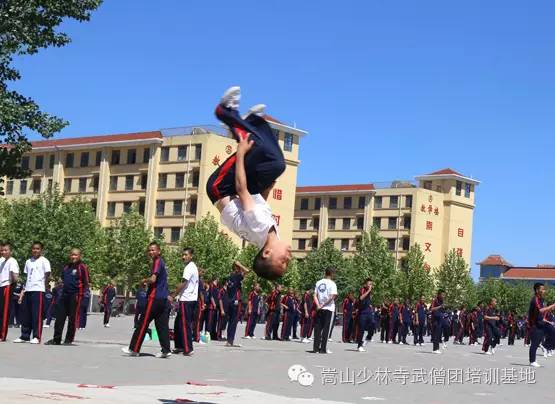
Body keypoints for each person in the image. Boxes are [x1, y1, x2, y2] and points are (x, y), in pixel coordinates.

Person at [207, 87, 292, 280]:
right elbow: (257, 200)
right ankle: (254, 119)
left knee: (254, 146)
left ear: (267, 253)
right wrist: (268, 188)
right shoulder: (267, 232)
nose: (289, 258)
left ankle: (226, 112)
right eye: (288, 262)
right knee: (277, 165)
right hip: (235, 191)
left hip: (221, 188)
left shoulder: (260, 226)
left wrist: (241, 153)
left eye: (283, 261)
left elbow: (242, 189)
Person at [122, 242, 171, 358]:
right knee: (162, 325)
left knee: (142, 323)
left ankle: (134, 349)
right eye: (149, 250)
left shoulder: (157, 261)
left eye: (153, 250)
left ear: (159, 251)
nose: (151, 252)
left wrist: (144, 281)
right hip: (163, 299)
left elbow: (153, 279)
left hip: (154, 298)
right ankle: (166, 350)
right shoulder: (162, 263)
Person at [45, 249, 89, 346]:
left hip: (76, 296)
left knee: (72, 318)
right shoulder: (66, 267)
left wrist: (83, 297)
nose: (74, 257)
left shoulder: (82, 267)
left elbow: (86, 283)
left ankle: (68, 340)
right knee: (59, 317)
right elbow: (62, 279)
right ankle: (56, 339)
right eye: (72, 255)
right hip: (64, 295)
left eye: (76, 255)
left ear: (79, 256)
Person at [14, 241, 51, 344]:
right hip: (28, 290)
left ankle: (36, 336)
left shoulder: (44, 261)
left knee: (36, 314)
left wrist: (44, 286)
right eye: (34, 248)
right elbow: (27, 276)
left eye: (38, 248)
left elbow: (47, 275)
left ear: (41, 250)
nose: (35, 250)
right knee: (26, 314)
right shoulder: (28, 261)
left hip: (38, 290)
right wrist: (23, 291)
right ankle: (24, 336)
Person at [170, 247, 198, 356]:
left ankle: (188, 348)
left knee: (185, 324)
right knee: (178, 323)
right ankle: (180, 346)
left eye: (186, 255)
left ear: (191, 256)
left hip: (186, 300)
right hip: (189, 299)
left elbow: (183, 284)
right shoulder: (192, 267)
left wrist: (173, 295)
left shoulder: (189, 268)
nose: (183, 257)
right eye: (183, 255)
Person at [311, 267, 337, 354]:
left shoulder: (319, 282)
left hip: (319, 308)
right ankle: (323, 349)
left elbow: (314, 295)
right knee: (326, 329)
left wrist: (318, 305)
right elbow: (332, 296)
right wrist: (323, 305)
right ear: (332, 274)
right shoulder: (332, 284)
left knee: (318, 328)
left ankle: (315, 348)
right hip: (328, 308)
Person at [528, 282, 555, 367]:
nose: (544, 291)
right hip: (534, 324)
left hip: (542, 322)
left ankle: (545, 346)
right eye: (542, 289)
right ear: (537, 290)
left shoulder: (541, 300)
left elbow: (542, 313)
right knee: (535, 343)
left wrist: (548, 319)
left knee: (553, 331)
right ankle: (532, 361)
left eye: (544, 289)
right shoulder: (535, 299)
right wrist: (552, 306)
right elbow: (540, 310)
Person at [225, 261, 249, 347]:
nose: (240, 270)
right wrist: (240, 265)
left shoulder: (229, 276)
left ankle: (229, 340)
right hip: (235, 301)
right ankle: (230, 341)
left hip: (229, 301)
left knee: (230, 321)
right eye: (238, 268)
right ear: (236, 268)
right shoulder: (237, 276)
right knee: (233, 322)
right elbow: (247, 271)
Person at [0, 242, 20, 341]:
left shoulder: (12, 261)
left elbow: (15, 276)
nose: (3, 252)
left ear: (10, 251)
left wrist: (12, 284)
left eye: (6, 250)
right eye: (2, 250)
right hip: (1, 286)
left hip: (7, 286)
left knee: (4, 311)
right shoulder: (2, 261)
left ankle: (2, 335)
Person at [356, 279, 373, 352]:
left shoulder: (370, 292)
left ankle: (368, 338)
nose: (370, 285)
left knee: (373, 325)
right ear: (365, 284)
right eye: (369, 284)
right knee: (361, 329)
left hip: (368, 311)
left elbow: (367, 300)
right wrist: (368, 291)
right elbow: (361, 298)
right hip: (362, 312)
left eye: (371, 284)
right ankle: (359, 346)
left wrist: (370, 305)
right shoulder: (362, 289)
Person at [430, 289, 446, 354]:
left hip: (440, 319)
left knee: (439, 334)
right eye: (442, 294)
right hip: (435, 319)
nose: (443, 296)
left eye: (444, 295)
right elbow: (432, 309)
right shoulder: (435, 300)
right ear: (439, 294)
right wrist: (440, 306)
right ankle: (435, 349)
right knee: (436, 334)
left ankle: (437, 348)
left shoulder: (442, 301)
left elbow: (442, 310)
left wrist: (443, 308)